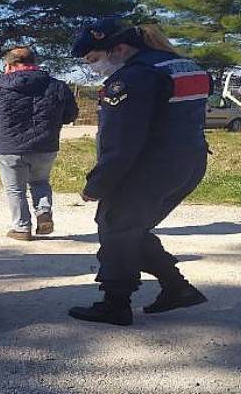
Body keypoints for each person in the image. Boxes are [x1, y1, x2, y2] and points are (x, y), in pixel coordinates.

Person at [68, 17, 210, 326]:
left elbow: (122, 143)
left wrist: (96, 185)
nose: (94, 68)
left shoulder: (133, 78)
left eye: (94, 59)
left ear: (119, 48)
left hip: (148, 168)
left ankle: (115, 304)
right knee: (133, 228)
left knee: (115, 226)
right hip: (189, 163)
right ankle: (177, 288)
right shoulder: (183, 65)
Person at [0, 46, 78, 241]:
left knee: (15, 189)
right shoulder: (57, 85)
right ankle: (43, 212)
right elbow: (70, 115)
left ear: (9, 65)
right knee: (40, 181)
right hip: (45, 144)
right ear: (35, 62)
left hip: (9, 146)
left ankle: (22, 228)